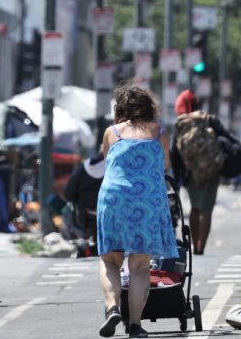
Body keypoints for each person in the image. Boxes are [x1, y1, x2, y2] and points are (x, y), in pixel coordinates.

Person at [97, 85, 178, 338]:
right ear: (149, 107)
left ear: (119, 109)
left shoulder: (111, 133)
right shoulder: (159, 132)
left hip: (114, 198)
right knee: (140, 266)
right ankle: (135, 325)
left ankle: (112, 308)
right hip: (147, 201)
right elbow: (164, 163)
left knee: (110, 259)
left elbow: (105, 160)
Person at [170, 89, 237, 255]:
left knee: (195, 208)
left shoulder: (180, 123)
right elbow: (226, 137)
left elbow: (173, 152)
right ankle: (201, 247)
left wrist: (178, 177)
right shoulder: (209, 119)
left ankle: (194, 246)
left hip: (191, 172)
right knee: (207, 210)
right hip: (213, 170)